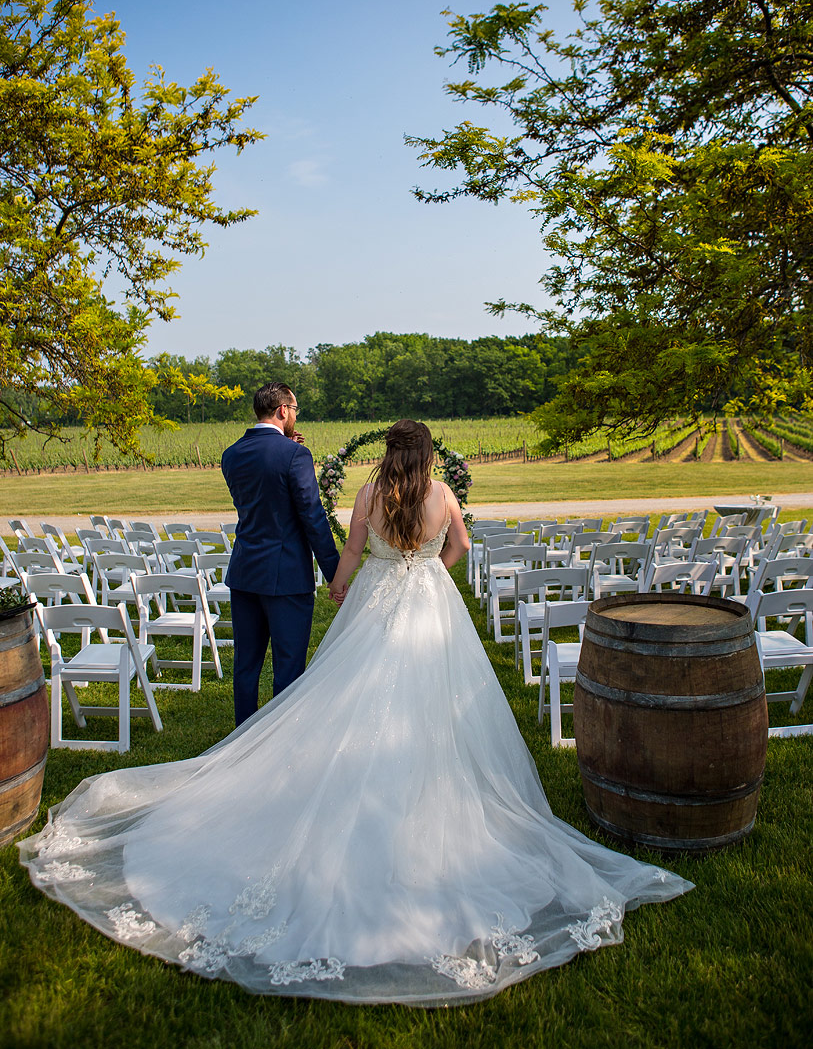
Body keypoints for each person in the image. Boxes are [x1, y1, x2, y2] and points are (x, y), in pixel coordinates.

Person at [18, 420, 692, 1007]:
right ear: (427, 455)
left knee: (345, 692)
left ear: (388, 452)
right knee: (439, 710)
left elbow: (346, 555)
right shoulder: (442, 495)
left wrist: (343, 584)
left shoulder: (370, 493)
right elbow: (459, 548)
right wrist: (431, 566)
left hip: (376, 598)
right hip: (428, 605)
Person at [220, 382, 340, 725]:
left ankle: (242, 734)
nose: (295, 416)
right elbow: (312, 517)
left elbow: (263, 498)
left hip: (244, 570)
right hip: (285, 574)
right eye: (295, 410)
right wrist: (334, 572)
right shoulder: (295, 455)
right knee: (287, 665)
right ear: (282, 410)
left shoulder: (232, 454)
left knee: (246, 664)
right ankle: (281, 737)